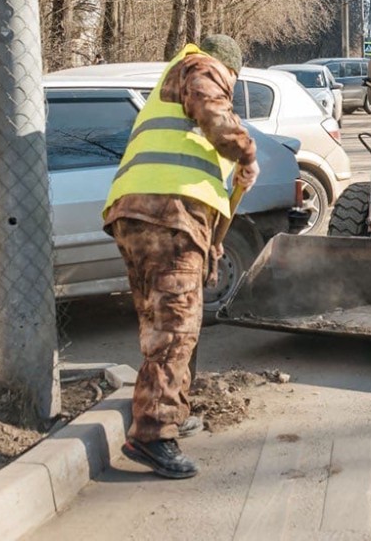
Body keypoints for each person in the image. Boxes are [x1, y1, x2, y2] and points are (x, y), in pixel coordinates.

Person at [101, 34, 259, 480]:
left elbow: (205, 178)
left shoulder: (172, 91)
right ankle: (152, 436)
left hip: (147, 215)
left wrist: (211, 244)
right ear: (229, 70)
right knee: (176, 327)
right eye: (233, 81)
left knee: (161, 323)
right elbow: (214, 113)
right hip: (166, 216)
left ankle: (168, 415)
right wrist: (246, 148)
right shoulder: (202, 68)